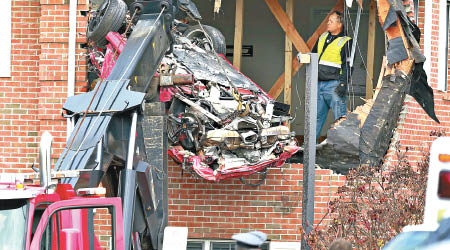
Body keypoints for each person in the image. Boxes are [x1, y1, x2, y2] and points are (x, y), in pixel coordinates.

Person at [299, 11, 352, 142]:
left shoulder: (346, 42)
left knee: (340, 118)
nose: (328, 23)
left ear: (339, 24)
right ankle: (309, 150)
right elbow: (314, 56)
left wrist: (343, 84)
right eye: (328, 21)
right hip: (319, 84)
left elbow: (348, 66)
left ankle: (341, 151)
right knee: (315, 117)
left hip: (334, 85)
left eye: (331, 21)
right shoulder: (322, 37)